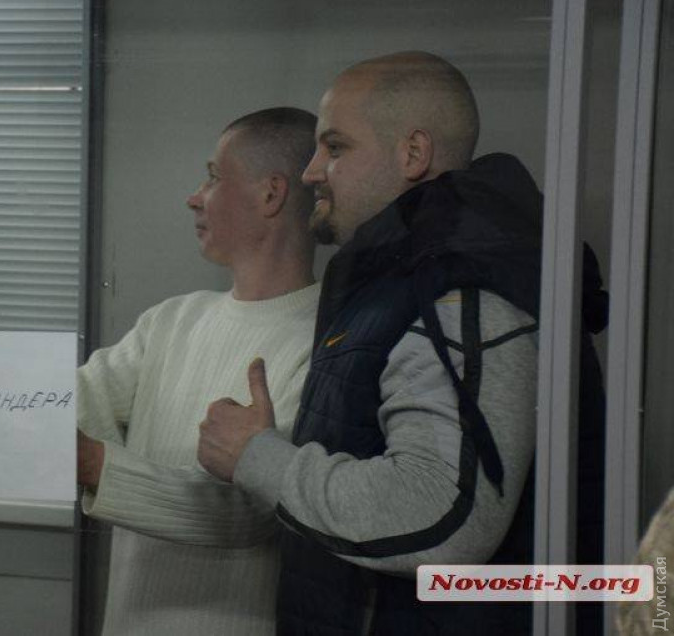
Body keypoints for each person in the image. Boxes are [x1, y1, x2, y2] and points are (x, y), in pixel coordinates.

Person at [197, 52, 607, 635]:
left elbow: (437, 515)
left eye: (334, 147)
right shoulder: (401, 277)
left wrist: (255, 457)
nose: (312, 171)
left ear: (413, 153)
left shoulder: (462, 288)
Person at [77, 107, 321, 636]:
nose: (194, 197)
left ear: (271, 194)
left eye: (212, 177)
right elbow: (79, 400)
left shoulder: (324, 343)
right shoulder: (171, 320)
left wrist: (94, 464)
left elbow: (255, 511)